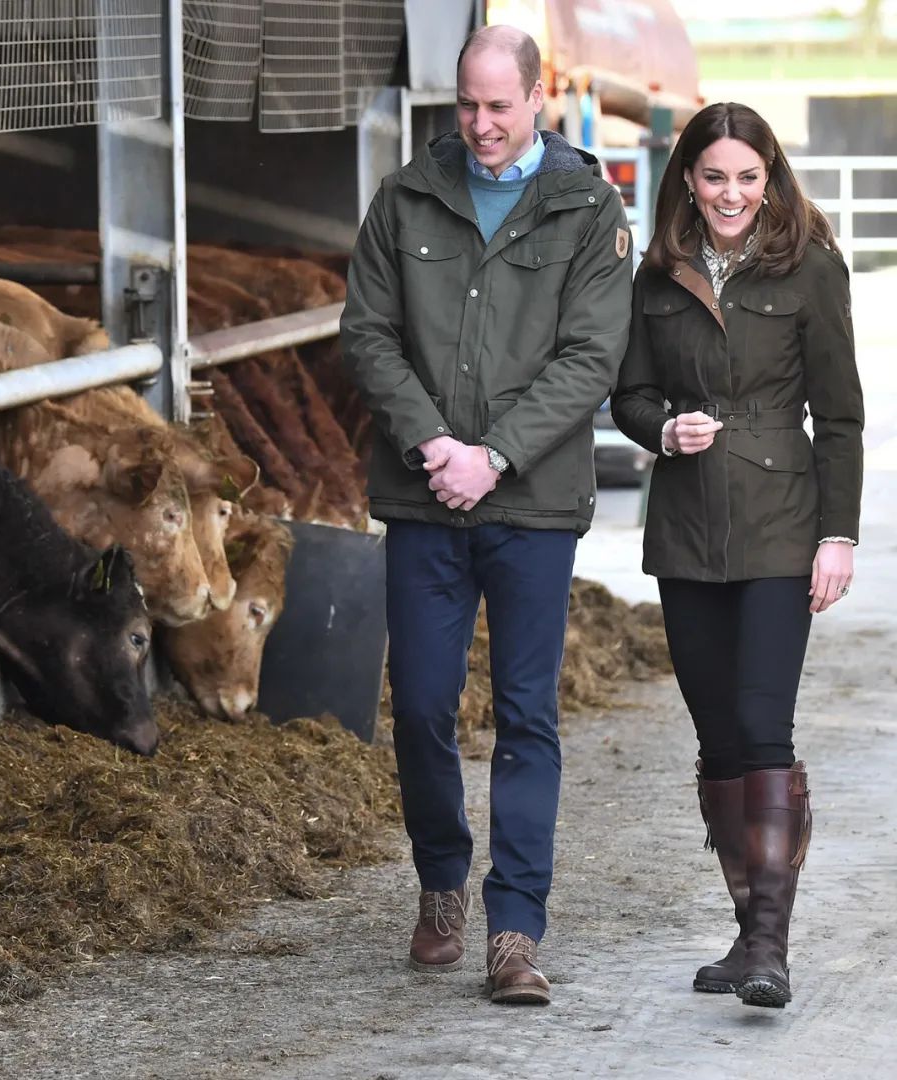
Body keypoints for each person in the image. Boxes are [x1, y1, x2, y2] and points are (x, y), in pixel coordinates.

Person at [340, 24, 632, 1004]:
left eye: (499, 106)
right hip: (424, 496)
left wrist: (495, 455)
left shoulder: (588, 208)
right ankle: (440, 883)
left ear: (536, 100)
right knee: (420, 704)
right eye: (467, 105)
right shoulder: (407, 195)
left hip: (534, 504)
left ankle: (515, 926)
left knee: (525, 713)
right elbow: (368, 334)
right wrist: (436, 447)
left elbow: (591, 356)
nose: (480, 125)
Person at [612, 102, 864, 1009]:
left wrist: (837, 535)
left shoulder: (811, 269)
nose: (731, 195)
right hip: (684, 530)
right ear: (689, 177)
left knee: (763, 730)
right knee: (718, 740)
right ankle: (745, 930)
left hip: (779, 525)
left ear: (770, 178)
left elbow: (840, 416)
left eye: (748, 178)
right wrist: (660, 427)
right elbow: (628, 394)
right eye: (715, 177)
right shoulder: (656, 276)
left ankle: (769, 946)